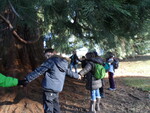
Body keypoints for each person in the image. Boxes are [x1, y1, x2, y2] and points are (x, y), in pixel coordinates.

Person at [22, 48, 81, 113]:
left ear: (52, 53)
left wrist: (26, 79)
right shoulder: (62, 62)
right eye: (46, 56)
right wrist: (77, 76)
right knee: (56, 107)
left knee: (48, 109)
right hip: (57, 88)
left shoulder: (50, 61)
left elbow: (39, 71)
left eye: (47, 55)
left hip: (49, 88)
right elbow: (68, 72)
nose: (46, 57)